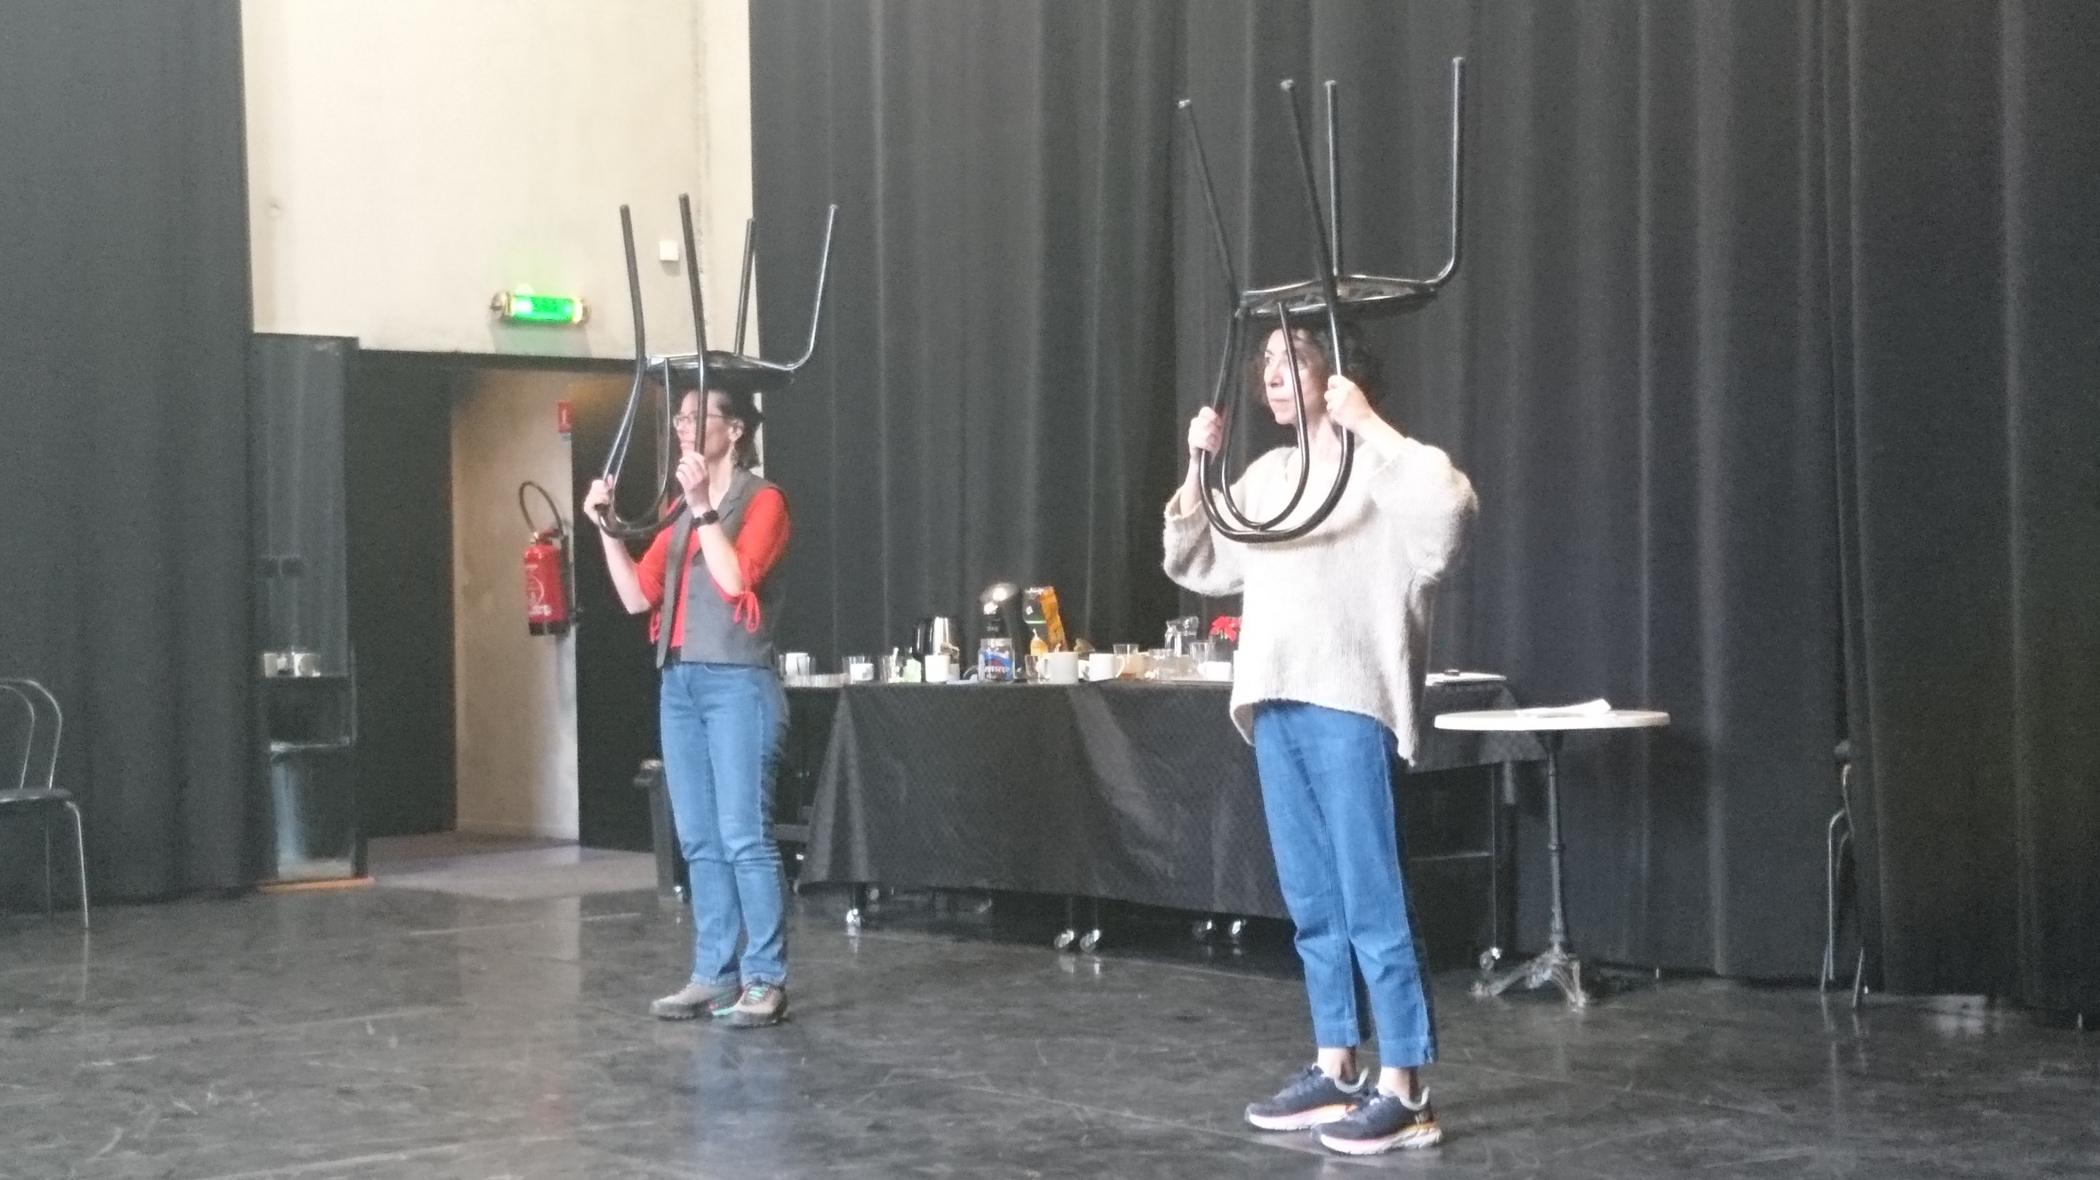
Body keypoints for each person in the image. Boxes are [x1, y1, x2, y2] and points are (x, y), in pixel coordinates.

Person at [1163, 323, 1476, 1155]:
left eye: (1292, 359)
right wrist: (1199, 466)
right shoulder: (1270, 476)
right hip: (1274, 700)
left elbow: (1449, 516)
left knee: (1371, 897)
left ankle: (1405, 1086)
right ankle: (1337, 1065)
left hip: (1348, 700)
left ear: (1337, 372)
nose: (1272, 374)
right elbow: (1198, 561)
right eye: (1266, 361)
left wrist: (1367, 422)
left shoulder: (1381, 469)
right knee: (1313, 902)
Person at [583, 379, 794, 1029]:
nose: (683, 427)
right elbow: (636, 598)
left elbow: (735, 581)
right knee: (698, 838)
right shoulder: (677, 509)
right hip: (679, 682)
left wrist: (704, 508)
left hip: (737, 682)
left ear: (736, 430)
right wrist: (606, 529)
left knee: (744, 835)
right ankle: (714, 972)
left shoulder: (762, 500)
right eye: (678, 418)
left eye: (698, 417)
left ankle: (764, 978)